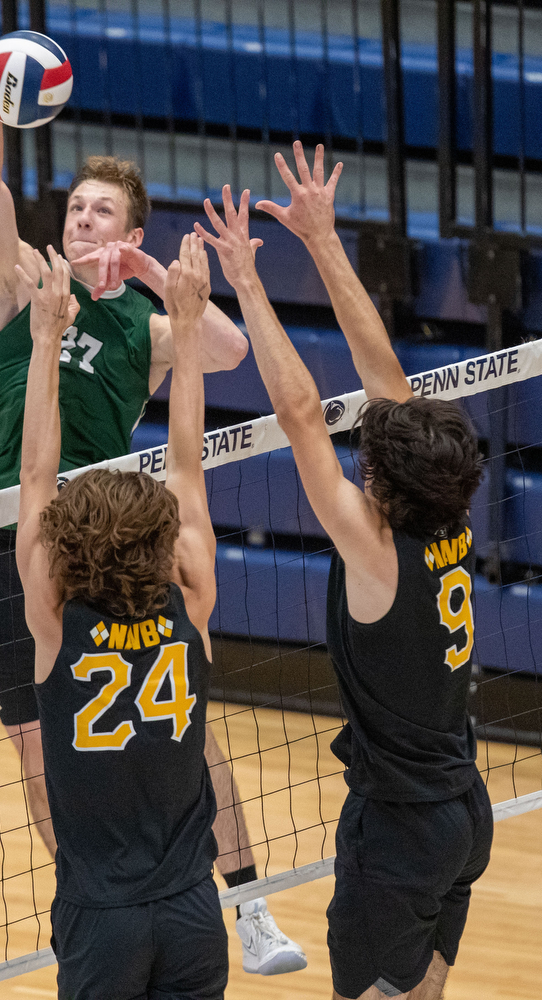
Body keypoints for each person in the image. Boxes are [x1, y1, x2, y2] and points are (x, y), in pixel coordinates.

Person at [0, 30, 307, 975]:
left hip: (112, 531)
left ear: (130, 232)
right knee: (34, 743)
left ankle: (248, 902)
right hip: (10, 532)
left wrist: (148, 277)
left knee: (178, 719)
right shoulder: (21, 281)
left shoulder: (145, 321)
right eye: (76, 206)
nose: (83, 219)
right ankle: (87, 894)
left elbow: (224, 352)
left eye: (103, 212)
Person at [196, 143, 493, 1000]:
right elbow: (385, 383)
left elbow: (298, 413)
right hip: (462, 816)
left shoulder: (377, 551)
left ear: (382, 484)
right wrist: (321, 240)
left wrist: (246, 280)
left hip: (397, 831)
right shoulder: (450, 520)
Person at [15, 234, 227, 997]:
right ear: (167, 546)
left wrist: (45, 340)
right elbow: (188, 464)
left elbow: (34, 474)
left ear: (71, 553)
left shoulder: (55, 620)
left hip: (101, 919)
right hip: (192, 911)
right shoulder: (190, 600)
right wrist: (189, 326)